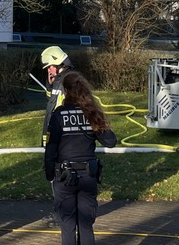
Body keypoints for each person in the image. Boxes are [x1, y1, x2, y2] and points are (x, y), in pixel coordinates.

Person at [43, 71, 116, 245]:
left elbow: (51, 148)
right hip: (88, 176)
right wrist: (98, 118)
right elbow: (110, 141)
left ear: (66, 91)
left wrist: (49, 174)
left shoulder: (59, 115)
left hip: (64, 177)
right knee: (86, 226)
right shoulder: (91, 114)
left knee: (68, 226)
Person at [39, 45, 75, 228]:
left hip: (61, 140)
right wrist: (50, 82)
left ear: (57, 64)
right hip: (56, 137)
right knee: (57, 179)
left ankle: (63, 215)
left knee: (60, 180)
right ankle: (61, 212)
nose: (48, 70)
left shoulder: (67, 82)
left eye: (49, 67)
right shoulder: (60, 81)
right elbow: (52, 99)